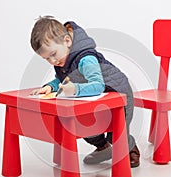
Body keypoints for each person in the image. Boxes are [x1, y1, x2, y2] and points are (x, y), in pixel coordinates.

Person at [30, 16, 140, 168]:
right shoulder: (63, 59)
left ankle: (131, 148)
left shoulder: (85, 58)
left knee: (116, 133)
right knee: (86, 127)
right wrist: (51, 86)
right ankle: (103, 148)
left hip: (118, 94)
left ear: (67, 41)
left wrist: (75, 89)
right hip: (95, 98)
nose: (52, 62)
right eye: (47, 59)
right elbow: (62, 79)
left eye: (53, 54)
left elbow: (98, 85)